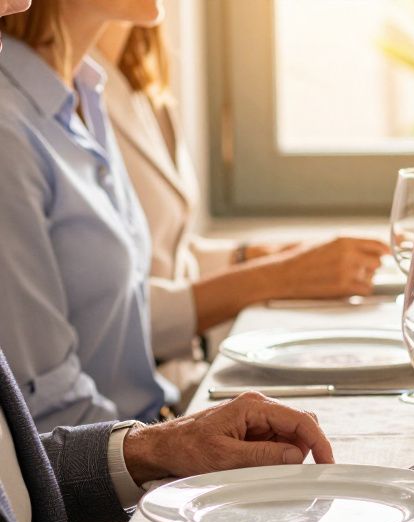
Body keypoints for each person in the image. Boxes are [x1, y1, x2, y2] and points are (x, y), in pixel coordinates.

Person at [0, 0, 386, 433]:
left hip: (144, 427)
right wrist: (169, 451)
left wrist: (256, 256)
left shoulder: (83, 92)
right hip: (108, 469)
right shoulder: (11, 130)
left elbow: (113, 301)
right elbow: (49, 405)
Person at [91, 21, 389, 398]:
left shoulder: (135, 75)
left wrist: (252, 255)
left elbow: (157, 247)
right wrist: (279, 276)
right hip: (129, 404)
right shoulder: (61, 91)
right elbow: (99, 311)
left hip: (175, 385)